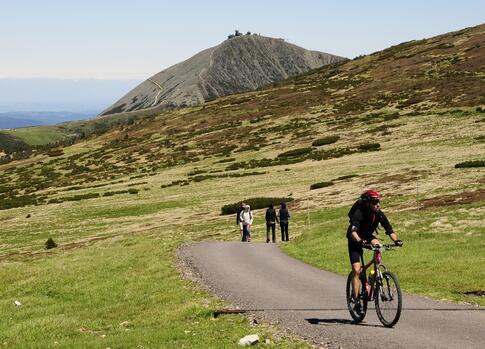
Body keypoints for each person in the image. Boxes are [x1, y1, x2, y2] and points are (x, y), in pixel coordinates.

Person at [347, 190, 403, 315]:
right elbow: (353, 231)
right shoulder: (359, 213)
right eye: (374, 202)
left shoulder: (379, 214)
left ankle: (374, 276)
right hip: (354, 239)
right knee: (356, 270)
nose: (377, 204)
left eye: (378, 201)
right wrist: (359, 241)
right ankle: (356, 301)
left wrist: (396, 240)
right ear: (368, 204)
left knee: (378, 247)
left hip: (367, 236)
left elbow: (389, 230)